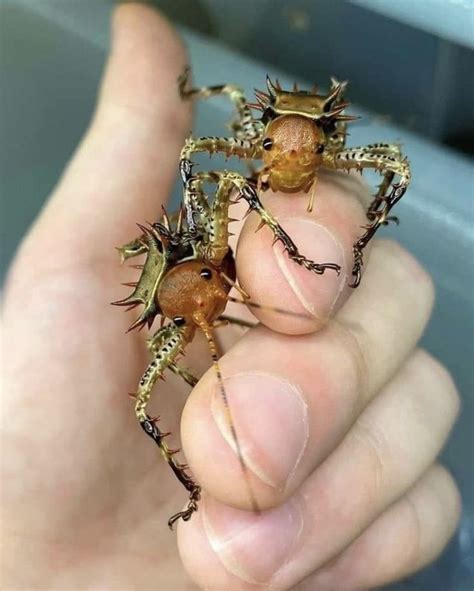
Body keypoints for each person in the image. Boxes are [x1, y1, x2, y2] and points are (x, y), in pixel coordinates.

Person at [1, 4, 461, 589]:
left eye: (306, 145)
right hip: (198, 270)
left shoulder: (311, 161)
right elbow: (205, 159)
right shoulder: (230, 182)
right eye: (277, 143)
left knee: (383, 173)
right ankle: (196, 484)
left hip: (228, 262)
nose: (292, 156)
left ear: (326, 139)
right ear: (261, 134)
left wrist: (359, 241)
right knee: (148, 402)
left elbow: (393, 169)